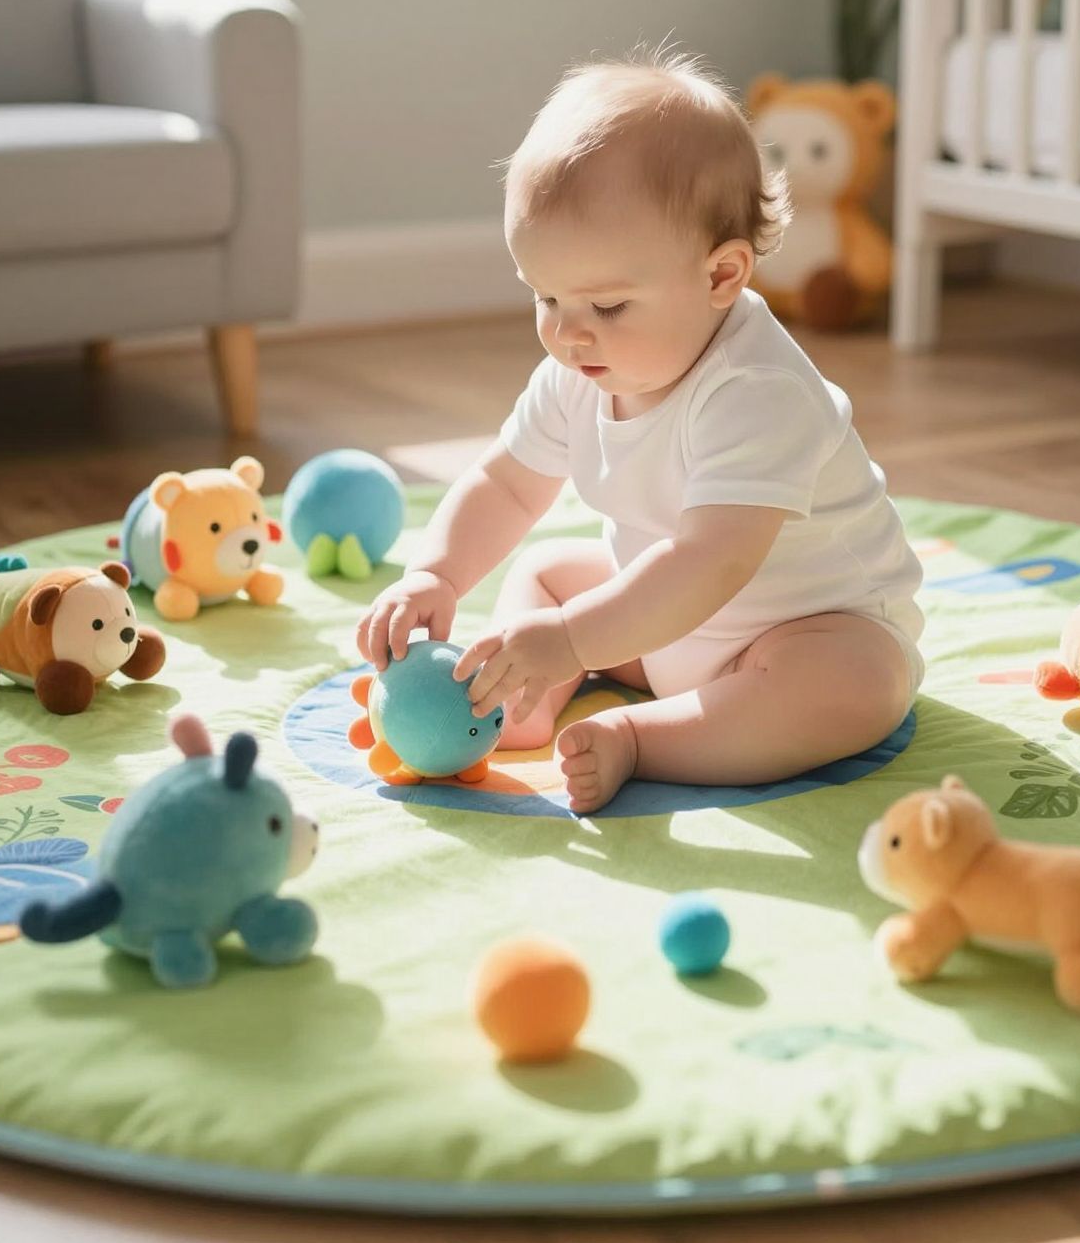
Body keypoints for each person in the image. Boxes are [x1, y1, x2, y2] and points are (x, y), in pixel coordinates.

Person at [358, 53, 923, 815]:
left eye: (608, 307)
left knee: (855, 686)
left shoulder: (758, 392)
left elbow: (712, 563)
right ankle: (518, 693)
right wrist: (438, 574)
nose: (565, 333)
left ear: (723, 276)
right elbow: (504, 482)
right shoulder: (576, 368)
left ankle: (644, 737)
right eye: (545, 296)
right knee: (556, 569)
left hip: (795, 632)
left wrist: (573, 640)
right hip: (658, 626)